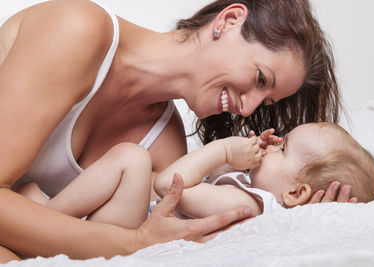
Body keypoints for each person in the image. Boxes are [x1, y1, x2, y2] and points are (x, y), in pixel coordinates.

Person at [0, 0, 350, 262]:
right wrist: (133, 242)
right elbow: (127, 240)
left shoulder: (165, 147)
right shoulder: (76, 28)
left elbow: (201, 228)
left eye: (265, 102)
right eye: (260, 79)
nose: (247, 109)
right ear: (229, 20)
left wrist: (308, 217)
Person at [154, 123, 374, 218]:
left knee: (131, 159)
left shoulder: (249, 204)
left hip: (134, 219)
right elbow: (213, 180)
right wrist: (236, 161)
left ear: (295, 193)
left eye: (282, 149)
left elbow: (169, 186)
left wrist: (223, 149)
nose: (272, 146)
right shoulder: (250, 190)